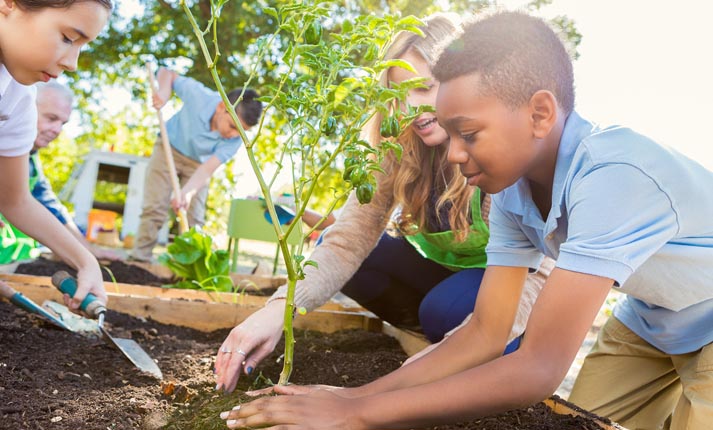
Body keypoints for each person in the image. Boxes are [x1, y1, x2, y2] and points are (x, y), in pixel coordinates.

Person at [220, 11, 713, 430]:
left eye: (469, 133)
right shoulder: (514, 189)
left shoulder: (613, 177)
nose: (454, 154)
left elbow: (539, 366)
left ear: (540, 113)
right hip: (650, 319)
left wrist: (363, 414)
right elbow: (484, 331)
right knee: (577, 418)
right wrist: (354, 397)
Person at [214, 14, 552, 394]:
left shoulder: (495, 149)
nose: (411, 108)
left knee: (444, 309)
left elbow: (541, 271)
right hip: (441, 275)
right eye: (399, 94)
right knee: (337, 249)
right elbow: (348, 239)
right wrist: (279, 310)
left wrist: (427, 369)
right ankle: (429, 336)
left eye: (425, 88)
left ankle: (468, 341)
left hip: (505, 284)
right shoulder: (395, 146)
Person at [0, 0, 112, 310]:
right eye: (67, 38)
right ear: (9, 4)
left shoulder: (16, 98)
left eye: (82, 46)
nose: (73, 63)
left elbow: (15, 200)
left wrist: (85, 260)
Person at [129, 68, 263, 262]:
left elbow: (208, 168)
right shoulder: (200, 96)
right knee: (155, 207)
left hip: (198, 164)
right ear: (220, 107)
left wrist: (188, 192)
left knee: (194, 217)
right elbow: (167, 73)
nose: (234, 134)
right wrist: (164, 92)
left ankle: (190, 267)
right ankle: (139, 260)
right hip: (169, 148)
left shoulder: (235, 141)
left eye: (242, 131)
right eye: (233, 126)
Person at [0, 81, 121, 264]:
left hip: (12, 262)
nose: (57, 130)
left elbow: (52, 209)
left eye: (63, 123)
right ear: (26, 109)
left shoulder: (31, 159)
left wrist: (87, 252)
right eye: (51, 118)